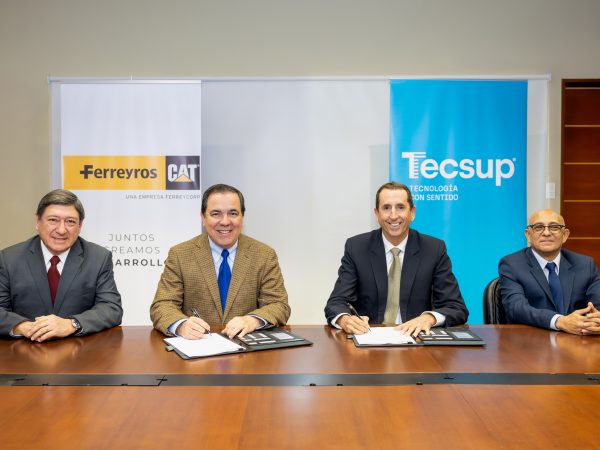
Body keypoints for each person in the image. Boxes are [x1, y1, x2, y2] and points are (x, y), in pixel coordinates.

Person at [324, 181, 468, 336]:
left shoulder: (434, 249)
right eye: (386, 208)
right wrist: (345, 319)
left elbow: (456, 307)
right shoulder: (357, 248)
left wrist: (429, 318)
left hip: (416, 339)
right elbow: (336, 303)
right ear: (377, 214)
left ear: (412, 212)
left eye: (400, 207)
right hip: (368, 338)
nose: (393, 216)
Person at [150, 183, 290, 339]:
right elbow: (162, 305)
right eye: (216, 214)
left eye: (233, 213)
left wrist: (252, 321)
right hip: (198, 347)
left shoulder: (264, 255)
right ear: (203, 218)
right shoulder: (180, 254)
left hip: (247, 348)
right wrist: (181, 325)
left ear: (242, 217)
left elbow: (278, 305)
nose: (225, 222)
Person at [0, 189, 123, 341]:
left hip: (81, 349)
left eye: (70, 221)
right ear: (37, 221)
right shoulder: (8, 259)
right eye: (53, 220)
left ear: (80, 225)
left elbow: (111, 308)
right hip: (25, 347)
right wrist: (25, 327)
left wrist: (72, 324)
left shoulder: (98, 258)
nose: (61, 230)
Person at [498, 209, 600, 334]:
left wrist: (596, 319)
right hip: (531, 339)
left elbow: (597, 305)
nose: (546, 233)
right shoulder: (512, 264)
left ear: (565, 235)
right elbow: (516, 308)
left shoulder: (585, 264)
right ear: (528, 235)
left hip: (579, 339)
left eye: (554, 227)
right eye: (538, 227)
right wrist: (559, 321)